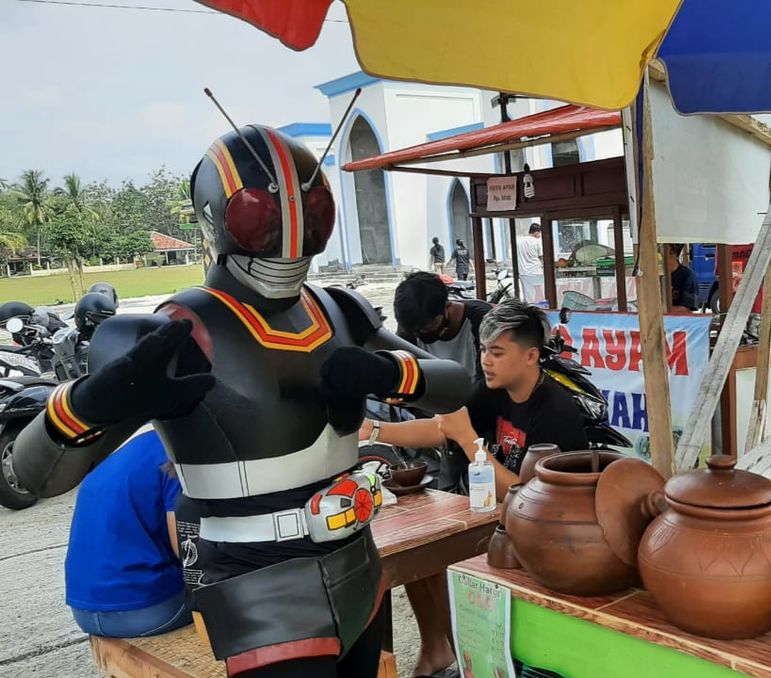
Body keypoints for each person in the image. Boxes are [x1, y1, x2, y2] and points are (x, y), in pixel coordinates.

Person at [13, 124, 470, 677]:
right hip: (262, 594)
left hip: (359, 568)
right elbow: (33, 476)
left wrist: (392, 372)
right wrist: (88, 403)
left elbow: (456, 384)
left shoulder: (337, 310)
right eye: (265, 218)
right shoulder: (178, 331)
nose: (291, 239)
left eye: (312, 214)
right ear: (220, 216)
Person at [363, 300, 588, 499]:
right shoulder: (493, 389)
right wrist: (373, 430)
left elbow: (527, 499)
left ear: (531, 355)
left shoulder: (555, 413)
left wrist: (467, 439)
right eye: (483, 350)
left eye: (497, 353)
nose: (486, 361)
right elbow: (443, 428)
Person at [65, 428, 189, 638]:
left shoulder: (124, 446)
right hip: (145, 610)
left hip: (83, 610)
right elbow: (186, 550)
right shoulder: (179, 452)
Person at [394, 271, 491, 383]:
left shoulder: (482, 322)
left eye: (428, 326)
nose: (422, 332)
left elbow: (489, 382)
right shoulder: (409, 327)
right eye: (416, 330)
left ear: (446, 307)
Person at [666, 244, 699, 313]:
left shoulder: (687, 275)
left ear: (673, 252)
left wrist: (659, 311)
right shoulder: (654, 276)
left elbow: (686, 309)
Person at [516, 223, 544, 302]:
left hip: (523, 272)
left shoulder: (518, 241)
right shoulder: (537, 241)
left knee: (528, 294)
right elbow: (541, 256)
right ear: (536, 233)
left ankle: (530, 308)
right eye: (540, 234)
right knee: (540, 292)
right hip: (536, 271)